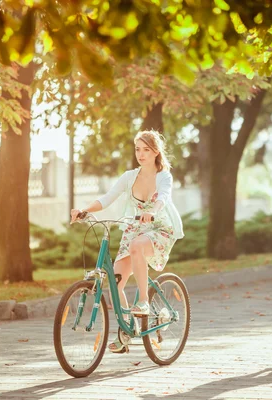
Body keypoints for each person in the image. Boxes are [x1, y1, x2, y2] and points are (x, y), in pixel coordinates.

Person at [70, 129, 184, 352]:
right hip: (135, 226)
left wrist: (153, 211)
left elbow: (163, 197)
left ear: (156, 152)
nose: (140, 154)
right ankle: (126, 329)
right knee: (116, 283)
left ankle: (143, 301)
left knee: (137, 246)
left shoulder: (164, 176)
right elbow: (107, 198)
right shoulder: (129, 176)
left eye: (146, 150)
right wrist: (84, 209)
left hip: (160, 226)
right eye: (138, 149)